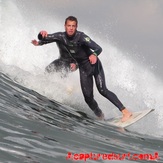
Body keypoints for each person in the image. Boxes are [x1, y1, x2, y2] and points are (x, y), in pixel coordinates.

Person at [31, 16, 132, 122]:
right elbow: (44, 38)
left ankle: (125, 112)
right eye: (69, 26)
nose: (71, 28)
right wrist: (41, 34)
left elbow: (98, 48)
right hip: (83, 69)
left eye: (73, 26)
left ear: (76, 27)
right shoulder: (60, 36)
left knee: (102, 90)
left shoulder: (82, 37)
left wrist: (94, 54)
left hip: (94, 64)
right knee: (88, 98)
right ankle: (101, 116)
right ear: (65, 26)